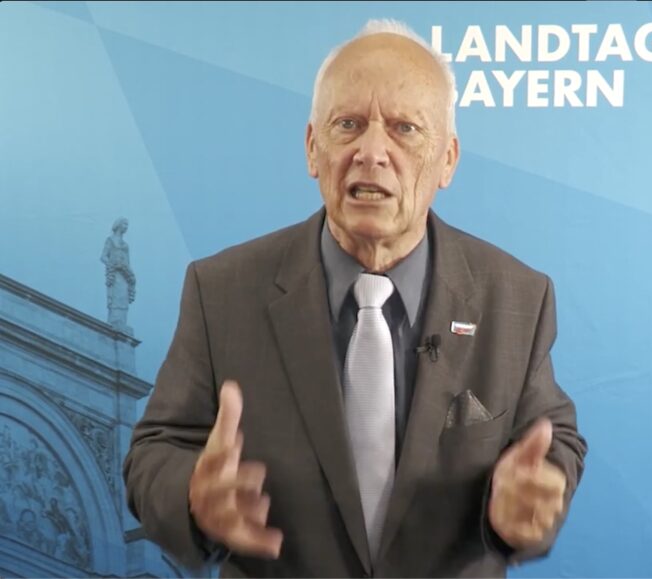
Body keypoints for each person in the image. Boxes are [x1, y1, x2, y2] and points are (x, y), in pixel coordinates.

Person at [123, 18, 586, 578]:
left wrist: (534, 493)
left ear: (447, 160)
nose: (372, 152)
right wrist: (192, 496)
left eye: (405, 129)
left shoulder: (517, 297)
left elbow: (552, 438)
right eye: (348, 125)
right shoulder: (221, 290)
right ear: (312, 148)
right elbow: (155, 452)